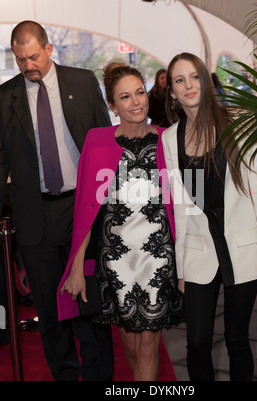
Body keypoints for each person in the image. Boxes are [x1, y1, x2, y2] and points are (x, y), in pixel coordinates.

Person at [0, 20, 113, 381]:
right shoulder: (5, 98)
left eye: (33, 57)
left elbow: (105, 144)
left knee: (89, 305)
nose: (27, 66)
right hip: (36, 218)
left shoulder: (82, 82)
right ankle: (65, 376)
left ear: (49, 49)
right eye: (20, 60)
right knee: (50, 311)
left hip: (82, 210)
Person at [162, 52, 257, 381]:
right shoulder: (170, 138)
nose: (188, 85)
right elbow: (183, 205)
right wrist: (183, 265)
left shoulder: (239, 124)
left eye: (194, 76)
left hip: (242, 248)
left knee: (237, 341)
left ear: (205, 80)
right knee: (197, 341)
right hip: (200, 250)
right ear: (171, 92)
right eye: (179, 80)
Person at [58, 61, 184, 381]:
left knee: (147, 347)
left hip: (158, 255)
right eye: (125, 97)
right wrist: (75, 267)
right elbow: (86, 210)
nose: (136, 102)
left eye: (139, 92)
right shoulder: (97, 141)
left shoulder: (168, 140)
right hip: (115, 258)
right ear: (112, 105)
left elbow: (185, 204)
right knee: (129, 345)